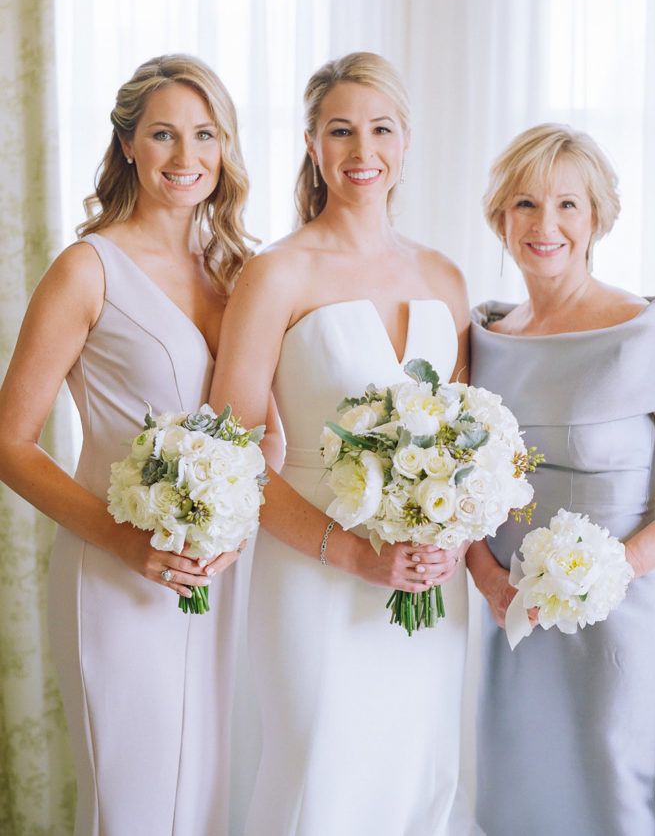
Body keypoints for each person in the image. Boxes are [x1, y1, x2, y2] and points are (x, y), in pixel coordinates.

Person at [0, 54, 273, 836]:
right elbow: (11, 440)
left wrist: (234, 531)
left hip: (226, 575)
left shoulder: (240, 272)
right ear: (127, 145)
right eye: (162, 135)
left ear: (225, 149)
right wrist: (126, 542)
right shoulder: (88, 270)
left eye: (204, 135)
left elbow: (267, 435)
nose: (185, 158)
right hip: (118, 571)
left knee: (215, 797)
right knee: (134, 802)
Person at [210, 51, 471, 836]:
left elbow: (464, 440)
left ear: (406, 141)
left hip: (429, 581)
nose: (363, 150)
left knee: (416, 770)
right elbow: (233, 450)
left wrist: (450, 537)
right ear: (312, 144)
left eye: (380, 128)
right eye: (340, 130)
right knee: (320, 773)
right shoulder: (277, 273)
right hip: (313, 568)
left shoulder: (444, 275)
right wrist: (357, 554)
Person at [467, 122, 655, 836]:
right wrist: (483, 572)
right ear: (500, 217)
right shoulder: (484, 336)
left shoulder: (644, 330)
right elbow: (465, 481)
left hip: (618, 621)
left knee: (612, 798)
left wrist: (615, 568)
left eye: (567, 204)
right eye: (525, 204)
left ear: (596, 215)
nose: (545, 225)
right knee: (516, 797)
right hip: (510, 615)